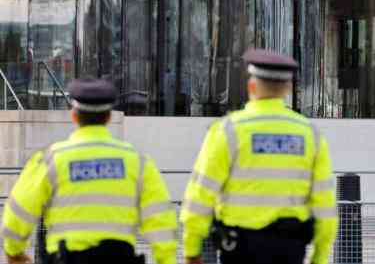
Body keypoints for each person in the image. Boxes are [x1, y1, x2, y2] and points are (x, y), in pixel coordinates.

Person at [181, 48, 338, 264]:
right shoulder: (310, 134)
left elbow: (200, 194)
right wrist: (319, 257)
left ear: (251, 86)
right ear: (288, 89)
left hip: (240, 248)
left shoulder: (228, 130)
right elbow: (325, 203)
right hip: (290, 249)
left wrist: (191, 249)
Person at [0, 78, 178, 264]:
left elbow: (18, 212)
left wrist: (14, 251)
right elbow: (161, 219)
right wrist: (166, 259)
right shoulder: (138, 162)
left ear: (74, 116)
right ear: (109, 117)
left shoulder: (50, 159)